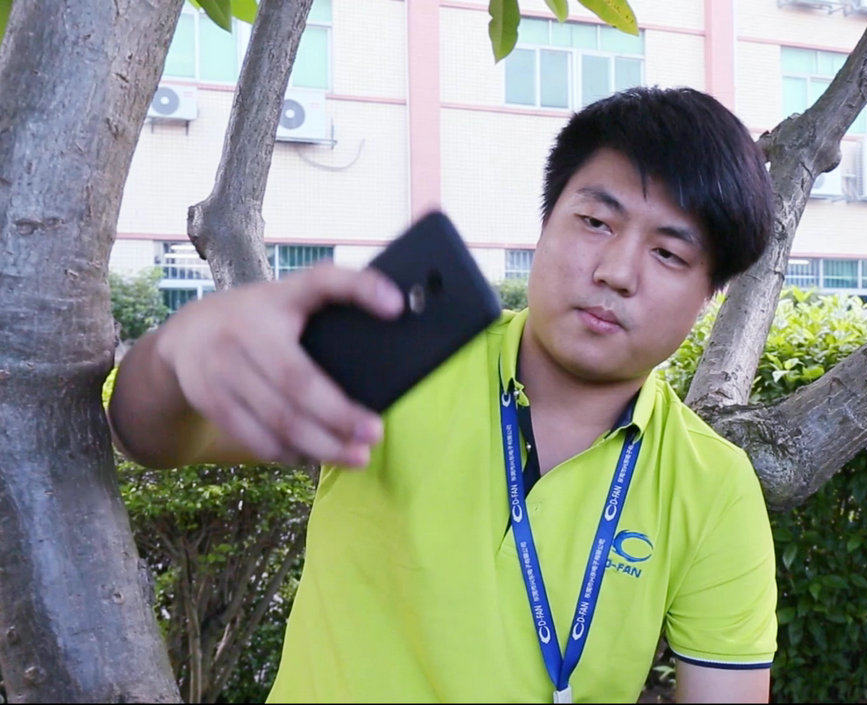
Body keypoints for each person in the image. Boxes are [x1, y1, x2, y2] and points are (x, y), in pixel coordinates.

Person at [108, 86, 778, 703]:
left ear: (707, 295)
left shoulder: (713, 486)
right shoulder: (405, 356)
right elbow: (147, 435)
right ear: (546, 223)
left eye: (669, 254)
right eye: (596, 221)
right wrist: (174, 355)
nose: (616, 271)